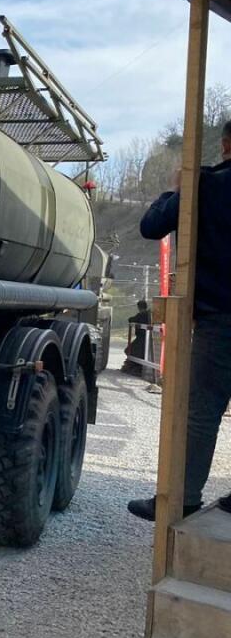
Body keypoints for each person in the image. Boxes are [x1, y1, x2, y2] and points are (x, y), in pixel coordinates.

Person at [129, 119, 231, 520]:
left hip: (219, 317)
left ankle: (184, 499)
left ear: (226, 145)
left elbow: (151, 226)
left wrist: (176, 188)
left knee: (202, 411)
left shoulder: (207, 185)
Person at [122, 299, 153, 377]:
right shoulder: (148, 314)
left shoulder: (141, 315)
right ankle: (136, 366)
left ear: (139, 307)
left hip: (141, 339)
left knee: (129, 350)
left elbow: (131, 319)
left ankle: (136, 367)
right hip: (146, 338)